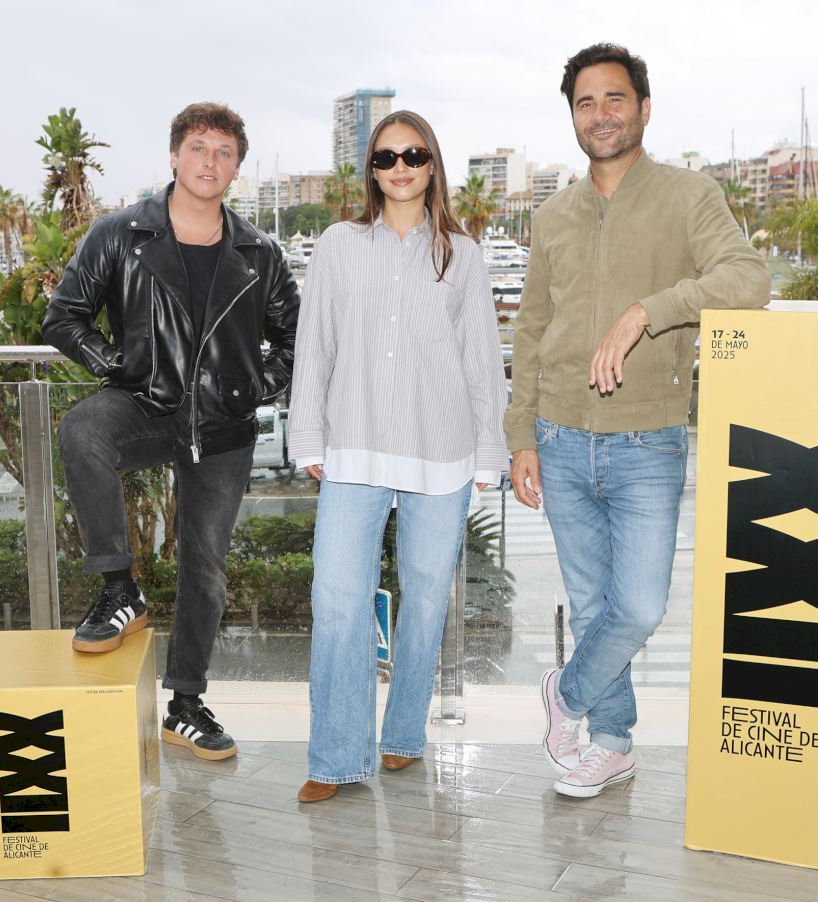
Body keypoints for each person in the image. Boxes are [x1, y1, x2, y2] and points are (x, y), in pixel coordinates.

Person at [505, 44, 770, 797]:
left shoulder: (689, 196)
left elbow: (749, 278)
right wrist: (521, 436)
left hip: (647, 440)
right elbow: (531, 330)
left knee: (641, 606)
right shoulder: (553, 214)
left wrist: (650, 311)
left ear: (644, 109)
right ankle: (612, 743)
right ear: (573, 117)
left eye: (614, 99)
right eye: (586, 103)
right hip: (559, 437)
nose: (601, 115)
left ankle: (567, 695)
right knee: (594, 606)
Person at [43, 102, 300, 761]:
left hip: (222, 424)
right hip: (146, 404)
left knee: (205, 568)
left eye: (224, 153)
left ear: (236, 168)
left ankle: (185, 705)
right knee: (83, 431)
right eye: (198, 148)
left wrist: (254, 387)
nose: (210, 162)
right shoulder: (119, 234)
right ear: (174, 157)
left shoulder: (260, 252)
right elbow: (64, 317)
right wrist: (117, 366)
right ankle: (118, 589)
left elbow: (296, 341)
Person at [288, 110, 508, 802]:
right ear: (372, 171)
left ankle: (405, 735)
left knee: (425, 601)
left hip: (441, 450)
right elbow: (314, 345)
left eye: (413, 155)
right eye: (386, 157)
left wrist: (488, 454)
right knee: (337, 600)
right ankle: (335, 756)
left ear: (432, 163)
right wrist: (307, 436)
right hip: (353, 447)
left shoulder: (461, 255)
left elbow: (482, 360)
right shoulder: (339, 244)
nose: (401, 168)